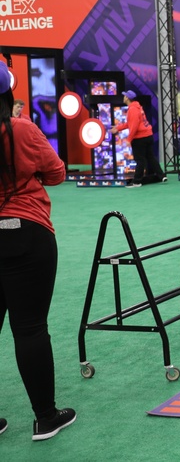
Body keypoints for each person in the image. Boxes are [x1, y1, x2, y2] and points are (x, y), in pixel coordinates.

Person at [0, 61, 76, 441]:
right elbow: (58, 173)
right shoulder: (20, 129)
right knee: (29, 328)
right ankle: (45, 417)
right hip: (26, 232)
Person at [110, 90, 167, 188]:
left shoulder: (132, 109)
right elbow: (131, 123)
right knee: (150, 157)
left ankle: (137, 181)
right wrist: (118, 128)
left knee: (140, 160)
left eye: (124, 96)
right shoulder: (137, 107)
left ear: (127, 98)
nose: (123, 97)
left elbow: (134, 126)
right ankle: (161, 176)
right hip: (148, 135)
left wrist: (129, 139)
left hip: (140, 138)